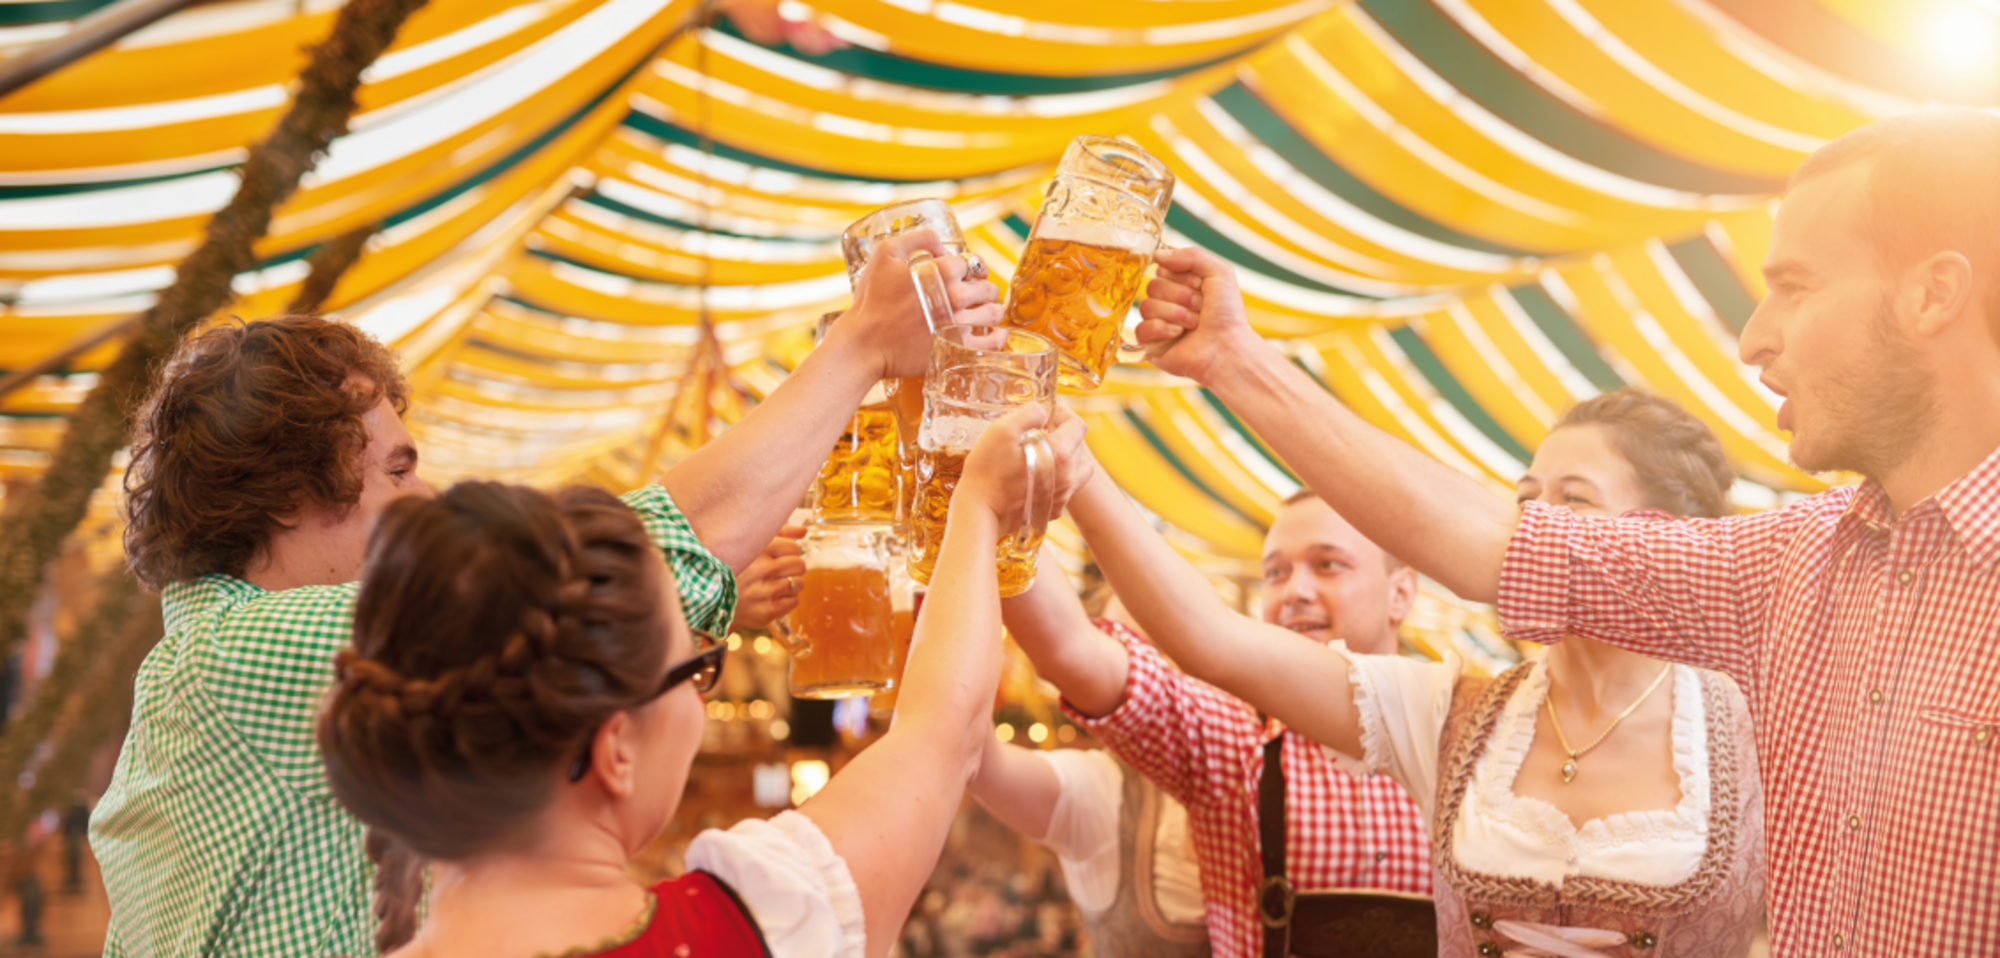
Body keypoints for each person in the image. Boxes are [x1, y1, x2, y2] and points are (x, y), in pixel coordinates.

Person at [1130, 110, 2000, 954]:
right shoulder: (1796, 560)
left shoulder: (1732, 695)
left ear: (1933, 294)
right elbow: (1497, 547)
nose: (1752, 340)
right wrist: (1234, 360)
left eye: (1796, 287)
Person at [91, 232, 999, 957]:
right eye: (398, 469)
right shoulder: (228, 659)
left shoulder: (214, 678)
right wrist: (863, 346)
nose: (430, 500)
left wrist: (676, 625)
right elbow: (596, 566)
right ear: (288, 496)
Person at [317, 402, 1087, 956]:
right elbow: (938, 730)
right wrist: (979, 508)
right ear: (615, 747)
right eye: (695, 671)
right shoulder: (759, 922)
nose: (699, 701)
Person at [1072, 390, 1766, 955]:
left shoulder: (1756, 733)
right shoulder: (1454, 716)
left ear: (1666, 537)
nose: (1531, 527)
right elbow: (1211, 638)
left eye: (1573, 501)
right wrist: (1077, 466)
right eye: (1525, 502)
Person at [992, 489, 1433, 958]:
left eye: (1327, 565)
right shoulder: (1238, 742)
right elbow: (1072, 653)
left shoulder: (1459, 738)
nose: (1294, 592)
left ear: (1401, 592)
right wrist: (998, 504)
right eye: (1275, 573)